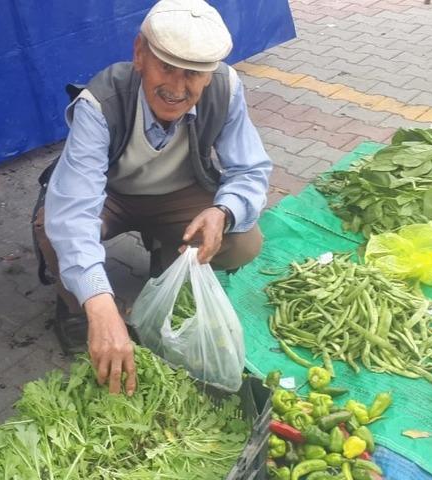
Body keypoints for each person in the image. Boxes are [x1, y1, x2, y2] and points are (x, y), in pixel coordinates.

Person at [33, 0, 272, 396]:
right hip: (110, 195)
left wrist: (223, 211)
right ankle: (76, 309)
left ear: (209, 75)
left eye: (193, 74)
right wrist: (100, 303)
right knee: (51, 227)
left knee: (243, 240)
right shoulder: (102, 101)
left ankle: (167, 263)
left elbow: (250, 170)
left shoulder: (227, 89)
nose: (177, 88)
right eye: (166, 67)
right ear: (140, 54)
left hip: (177, 194)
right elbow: (75, 211)